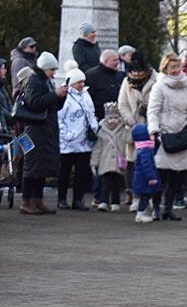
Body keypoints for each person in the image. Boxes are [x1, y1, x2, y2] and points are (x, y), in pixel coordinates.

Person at [146, 53, 187, 221]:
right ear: (165, 68)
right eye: (172, 67)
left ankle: (168, 209)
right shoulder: (159, 87)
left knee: (178, 177)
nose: (176, 70)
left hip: (184, 134)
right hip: (166, 134)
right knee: (162, 175)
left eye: (178, 66)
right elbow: (153, 110)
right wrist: (154, 131)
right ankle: (156, 207)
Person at [19, 53, 67, 215]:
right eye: (52, 69)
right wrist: (55, 95)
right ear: (45, 68)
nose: (53, 73)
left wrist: (60, 97)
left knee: (41, 167)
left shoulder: (44, 81)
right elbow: (34, 103)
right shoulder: (34, 80)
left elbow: (50, 105)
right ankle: (27, 201)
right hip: (35, 130)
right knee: (32, 167)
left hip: (45, 130)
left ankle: (37, 200)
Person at [118, 53, 157, 205]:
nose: (137, 74)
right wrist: (129, 119)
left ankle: (152, 195)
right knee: (132, 161)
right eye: (134, 71)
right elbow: (122, 104)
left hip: (151, 124)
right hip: (134, 126)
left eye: (140, 71)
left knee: (150, 161)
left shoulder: (157, 80)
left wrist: (148, 110)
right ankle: (133, 194)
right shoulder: (126, 82)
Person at [57, 68, 97, 210]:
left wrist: (94, 127)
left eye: (83, 81)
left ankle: (78, 200)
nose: (81, 84)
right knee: (65, 172)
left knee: (82, 172)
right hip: (68, 141)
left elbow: (91, 112)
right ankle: (61, 199)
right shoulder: (64, 95)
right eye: (79, 82)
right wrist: (65, 134)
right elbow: (59, 117)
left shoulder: (86, 94)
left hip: (84, 141)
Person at [91, 102, 129, 211]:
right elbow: (97, 149)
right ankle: (103, 202)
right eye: (110, 118)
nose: (113, 120)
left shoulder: (123, 130)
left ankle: (115, 202)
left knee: (116, 185)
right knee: (105, 184)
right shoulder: (102, 132)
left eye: (116, 118)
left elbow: (128, 141)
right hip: (105, 163)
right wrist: (94, 163)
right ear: (106, 118)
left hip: (118, 163)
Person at [130, 123, 161, 223]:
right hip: (144, 179)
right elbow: (146, 165)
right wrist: (151, 177)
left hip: (142, 178)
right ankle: (140, 214)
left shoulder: (142, 148)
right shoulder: (145, 150)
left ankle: (142, 212)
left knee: (146, 196)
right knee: (145, 196)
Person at [85, 50, 124, 121]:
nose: (118, 62)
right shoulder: (91, 75)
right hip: (98, 119)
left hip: (118, 119)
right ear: (105, 61)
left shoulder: (120, 76)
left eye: (118, 59)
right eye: (115, 60)